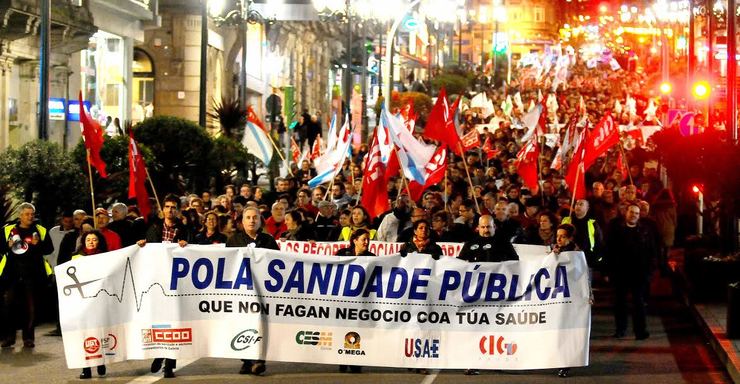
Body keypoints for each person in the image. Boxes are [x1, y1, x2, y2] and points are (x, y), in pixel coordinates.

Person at [138, 195, 191, 379]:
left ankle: (169, 364)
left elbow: (192, 254)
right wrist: (142, 245)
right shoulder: (153, 227)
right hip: (156, 283)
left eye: (173, 207)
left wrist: (186, 246)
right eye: (167, 206)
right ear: (163, 209)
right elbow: (148, 251)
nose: (170, 210)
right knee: (158, 322)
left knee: (174, 323)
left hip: (176, 284)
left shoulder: (184, 229)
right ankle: (159, 354)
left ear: (178, 210)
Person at [226, 207, 279, 376]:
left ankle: (259, 359)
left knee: (261, 324)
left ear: (260, 220)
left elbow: (279, 263)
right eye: (248, 217)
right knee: (242, 324)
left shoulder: (269, 240)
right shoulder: (233, 240)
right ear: (242, 222)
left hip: (263, 291)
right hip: (241, 292)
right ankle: (246, 360)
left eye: (255, 217)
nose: (251, 220)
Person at [0, 203, 54, 349]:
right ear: (20, 215)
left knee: (30, 308)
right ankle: (8, 337)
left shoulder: (40, 230)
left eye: (32, 214)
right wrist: (7, 245)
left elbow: (49, 249)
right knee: (8, 306)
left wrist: (38, 244)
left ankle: (28, 338)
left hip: (33, 274)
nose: (30, 217)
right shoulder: (8, 230)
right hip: (12, 273)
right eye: (27, 214)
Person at [605, 203, 657, 341]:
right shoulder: (616, 230)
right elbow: (609, 251)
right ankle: (620, 329)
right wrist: (608, 271)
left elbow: (652, 252)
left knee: (638, 303)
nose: (634, 215)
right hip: (620, 273)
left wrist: (649, 272)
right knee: (620, 303)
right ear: (626, 213)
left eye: (637, 213)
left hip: (639, 274)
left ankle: (640, 331)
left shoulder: (645, 231)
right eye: (631, 212)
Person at [334, 228, 374, 373]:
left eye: (368, 239)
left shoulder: (372, 257)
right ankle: (342, 360)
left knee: (357, 329)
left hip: (361, 301)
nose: (366, 242)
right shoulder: (342, 254)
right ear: (355, 240)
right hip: (343, 299)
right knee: (342, 328)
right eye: (364, 239)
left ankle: (355, 361)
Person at [72, 230, 108, 379]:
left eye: (94, 239)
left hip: (99, 300)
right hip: (82, 301)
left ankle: (100, 362)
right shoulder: (76, 258)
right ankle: (85, 368)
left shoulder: (106, 257)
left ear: (99, 241)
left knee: (99, 333)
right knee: (84, 334)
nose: (91, 242)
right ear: (83, 242)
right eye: (88, 240)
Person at [551, 223, 578, 378]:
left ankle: (565, 363)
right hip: (556, 296)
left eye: (562, 236)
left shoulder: (576, 253)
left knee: (566, 330)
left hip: (570, 298)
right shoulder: (555, 250)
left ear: (570, 238)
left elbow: (582, 275)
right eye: (557, 236)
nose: (559, 239)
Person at [561, 199, 603, 269]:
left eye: (581, 204)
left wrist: (596, 262)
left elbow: (599, 243)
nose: (578, 206)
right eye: (576, 204)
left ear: (587, 208)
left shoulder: (592, 224)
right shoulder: (567, 220)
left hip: (587, 260)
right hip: (568, 258)